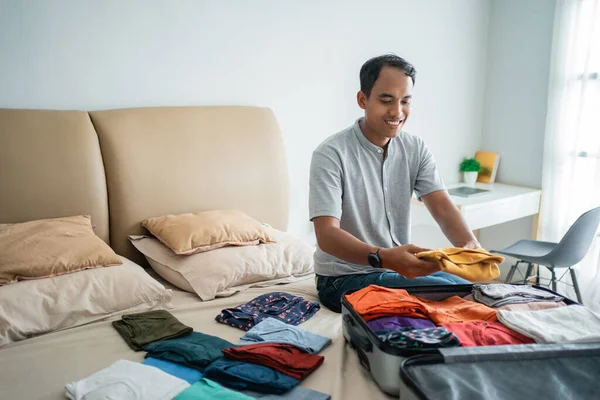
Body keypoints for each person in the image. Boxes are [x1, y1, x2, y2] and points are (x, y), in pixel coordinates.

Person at [309, 54, 480, 313]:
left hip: (394, 271)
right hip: (341, 280)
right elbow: (326, 235)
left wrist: (469, 246)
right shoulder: (331, 154)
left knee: (470, 289)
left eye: (405, 101)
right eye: (386, 100)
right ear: (362, 100)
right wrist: (384, 257)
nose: (397, 112)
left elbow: (442, 207)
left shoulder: (415, 148)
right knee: (459, 299)